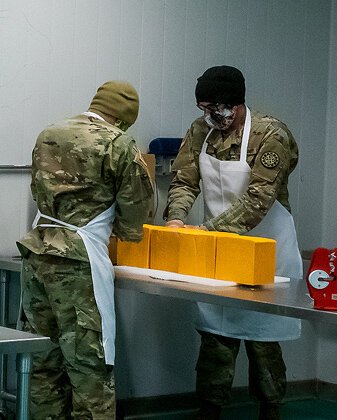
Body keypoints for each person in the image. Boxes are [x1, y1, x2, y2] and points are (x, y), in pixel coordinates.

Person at [164, 65, 300, 420]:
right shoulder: (200, 131)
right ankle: (208, 410)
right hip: (217, 257)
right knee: (215, 339)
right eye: (206, 109)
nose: (214, 117)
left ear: (238, 103)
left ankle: (271, 411)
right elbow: (183, 180)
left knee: (263, 343)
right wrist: (176, 219)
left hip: (267, 252)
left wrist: (207, 233)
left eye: (221, 109)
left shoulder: (271, 135)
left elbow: (258, 200)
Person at [16, 81, 154, 419]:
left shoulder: (49, 133)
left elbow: (37, 188)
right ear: (123, 119)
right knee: (91, 371)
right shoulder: (119, 144)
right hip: (80, 262)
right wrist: (124, 232)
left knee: (43, 366)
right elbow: (136, 211)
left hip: (37, 254)